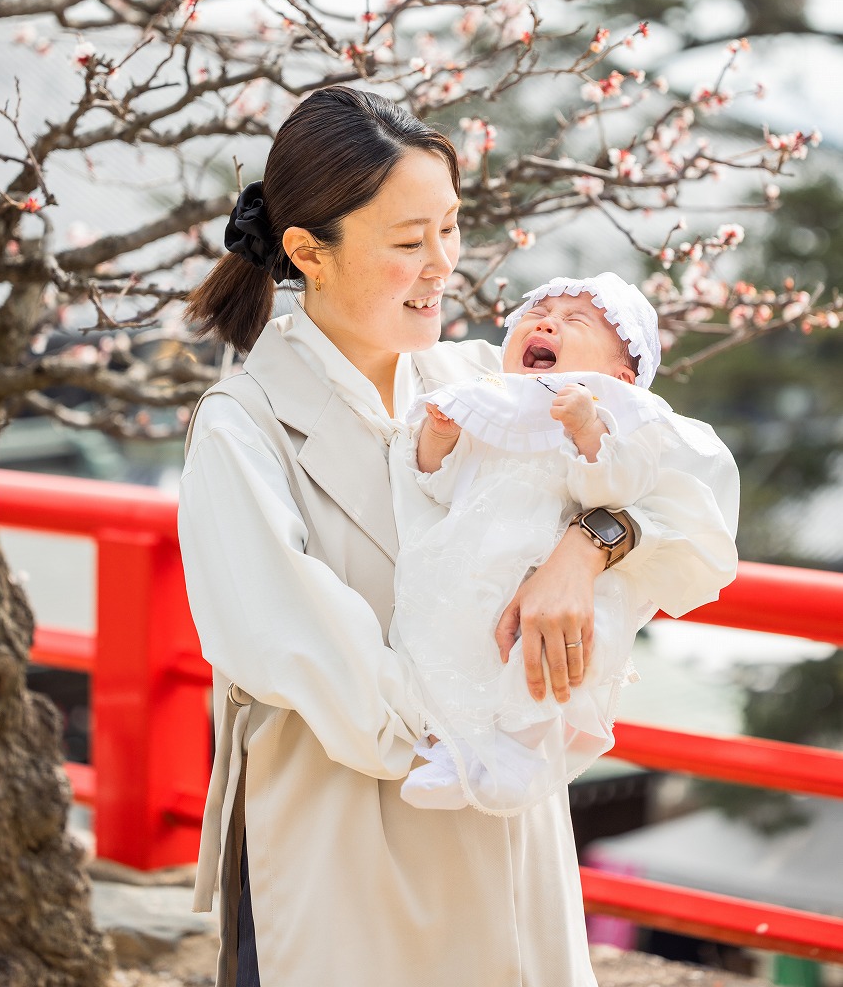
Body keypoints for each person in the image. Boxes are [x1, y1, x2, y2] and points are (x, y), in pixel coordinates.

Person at [178, 84, 740, 987]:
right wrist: (485, 731)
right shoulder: (243, 428)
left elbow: (688, 489)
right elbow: (299, 649)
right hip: (348, 830)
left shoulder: (484, 379)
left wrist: (586, 546)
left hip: (507, 822)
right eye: (409, 242)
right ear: (308, 253)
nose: (443, 264)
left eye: (449, 228)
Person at [392, 273, 739, 815]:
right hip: (474, 560)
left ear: (619, 378)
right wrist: (440, 437)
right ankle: (449, 745)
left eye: (575, 321)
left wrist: (587, 429)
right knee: (446, 640)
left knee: (539, 659)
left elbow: (614, 491)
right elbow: (439, 483)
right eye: (537, 314)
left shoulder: (624, 421)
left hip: (551, 565)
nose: (547, 323)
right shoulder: (487, 400)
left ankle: (516, 753)